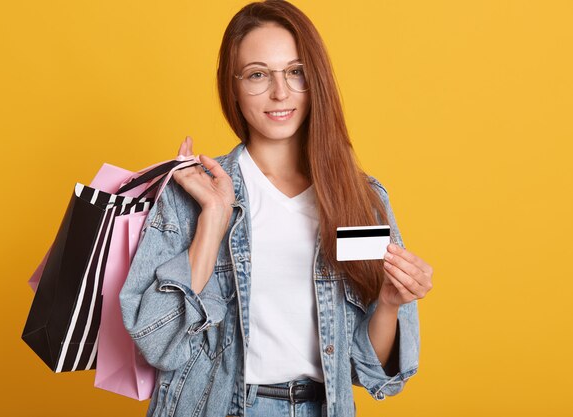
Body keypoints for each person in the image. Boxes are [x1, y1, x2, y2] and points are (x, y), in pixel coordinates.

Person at [119, 1, 433, 416]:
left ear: (315, 79)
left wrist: (391, 302)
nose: (280, 92)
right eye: (257, 74)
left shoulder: (362, 200)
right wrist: (213, 221)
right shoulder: (189, 196)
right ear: (231, 86)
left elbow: (370, 372)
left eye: (295, 72)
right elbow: (156, 340)